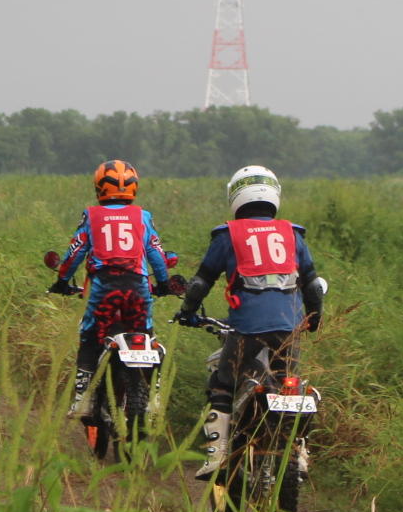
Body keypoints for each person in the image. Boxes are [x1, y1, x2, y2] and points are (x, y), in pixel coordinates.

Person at [174, 165, 326, 479]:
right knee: (290, 388)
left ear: (236, 195)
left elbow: (200, 284)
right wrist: (314, 318)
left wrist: (187, 312)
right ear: (274, 194)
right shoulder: (292, 234)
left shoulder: (228, 235)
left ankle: (216, 456)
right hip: (288, 330)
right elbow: (312, 286)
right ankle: (297, 454)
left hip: (246, 330)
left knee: (223, 384)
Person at [50, 160, 175, 418]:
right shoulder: (142, 216)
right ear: (134, 187)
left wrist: (62, 281)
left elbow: (75, 253)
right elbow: (156, 253)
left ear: (99, 186)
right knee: (148, 337)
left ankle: (83, 399)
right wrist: (163, 283)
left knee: (90, 337)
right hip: (137, 288)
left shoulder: (92, 215)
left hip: (104, 288)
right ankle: (154, 396)